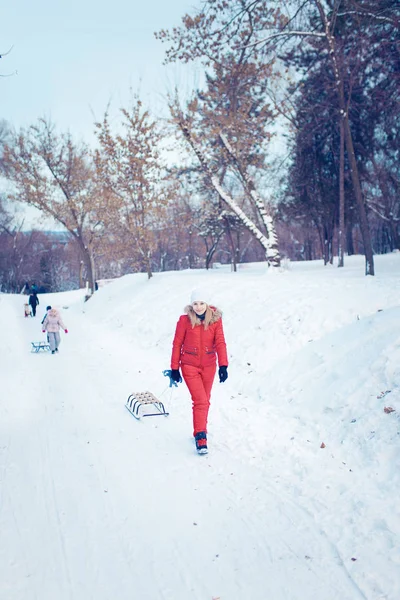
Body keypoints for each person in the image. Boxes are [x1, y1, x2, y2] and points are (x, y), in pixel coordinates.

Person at [170, 287, 228, 454]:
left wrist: (223, 365)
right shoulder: (184, 321)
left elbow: (220, 343)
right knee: (201, 401)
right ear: (191, 305)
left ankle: (198, 429)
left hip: (209, 365)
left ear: (207, 304)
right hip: (189, 365)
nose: (198, 307)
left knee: (205, 400)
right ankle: (201, 437)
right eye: (195, 303)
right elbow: (177, 344)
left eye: (202, 303)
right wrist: (174, 368)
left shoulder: (216, 320)